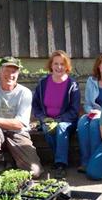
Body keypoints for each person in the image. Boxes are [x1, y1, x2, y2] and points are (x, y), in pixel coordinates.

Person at [32, 50, 80, 178]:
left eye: (62, 64)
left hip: (66, 121)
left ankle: (60, 164)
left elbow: (74, 110)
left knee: (60, 128)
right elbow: (35, 105)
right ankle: (59, 158)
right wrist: (43, 118)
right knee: (48, 129)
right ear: (51, 65)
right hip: (47, 119)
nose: (59, 67)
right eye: (56, 64)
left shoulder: (72, 84)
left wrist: (58, 120)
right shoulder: (43, 83)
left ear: (67, 66)